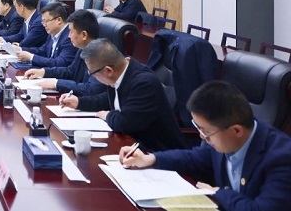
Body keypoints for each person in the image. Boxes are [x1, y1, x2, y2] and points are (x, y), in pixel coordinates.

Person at [119, 81, 291, 211]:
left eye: (206, 131)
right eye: (198, 128)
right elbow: (194, 158)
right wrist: (151, 159)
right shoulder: (225, 139)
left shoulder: (282, 158)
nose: (202, 136)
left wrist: (220, 193)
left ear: (236, 130)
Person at [59, 39, 185, 151]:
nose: (92, 76)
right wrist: (79, 102)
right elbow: (108, 100)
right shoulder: (121, 72)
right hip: (132, 146)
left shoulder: (144, 83)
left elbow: (125, 123)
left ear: (108, 71)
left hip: (157, 153)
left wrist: (107, 115)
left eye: (91, 73)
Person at [22, 9, 106, 96]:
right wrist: (43, 72)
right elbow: (70, 71)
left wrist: (57, 84)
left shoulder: (100, 56)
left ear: (84, 35)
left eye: (71, 32)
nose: (69, 36)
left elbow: (91, 89)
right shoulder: (83, 48)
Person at [15, 2, 78, 68]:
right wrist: (20, 49)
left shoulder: (70, 37)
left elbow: (60, 63)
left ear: (59, 20)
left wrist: (31, 57)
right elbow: (42, 51)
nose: (44, 25)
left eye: (46, 21)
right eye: (43, 21)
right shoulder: (53, 32)